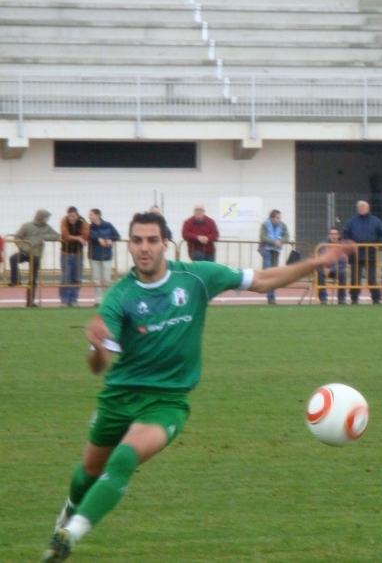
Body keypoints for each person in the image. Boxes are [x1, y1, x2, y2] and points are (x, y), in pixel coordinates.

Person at [39, 211, 354, 563]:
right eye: (138, 241)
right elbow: (99, 366)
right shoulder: (119, 296)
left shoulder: (196, 278)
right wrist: (97, 348)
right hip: (118, 396)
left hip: (166, 401)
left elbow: (264, 279)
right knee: (88, 475)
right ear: (129, 246)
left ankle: (70, 535)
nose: (145, 248)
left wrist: (318, 261)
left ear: (166, 244)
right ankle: (67, 515)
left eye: (152, 240)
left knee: (126, 456)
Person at [9, 209, 60, 307]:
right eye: (46, 217)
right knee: (13, 259)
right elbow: (17, 237)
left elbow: (57, 236)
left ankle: (30, 301)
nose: (48, 219)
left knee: (32, 279)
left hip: (36, 255)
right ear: (41, 217)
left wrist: (44, 237)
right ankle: (15, 279)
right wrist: (24, 247)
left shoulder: (47, 228)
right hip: (24, 252)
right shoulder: (26, 226)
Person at [342, 200, 382, 305]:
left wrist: (378, 245)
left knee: (372, 278)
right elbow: (346, 233)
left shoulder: (376, 221)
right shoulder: (352, 221)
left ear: (368, 208)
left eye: (363, 207)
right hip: (355, 255)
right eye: (359, 207)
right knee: (355, 278)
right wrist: (350, 244)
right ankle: (354, 298)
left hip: (371, 254)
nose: (361, 209)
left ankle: (376, 298)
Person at [88, 209, 121, 305]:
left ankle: (106, 300)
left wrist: (111, 239)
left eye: (91, 214)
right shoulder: (89, 227)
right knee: (96, 279)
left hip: (106, 255)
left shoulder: (108, 225)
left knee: (106, 279)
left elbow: (117, 235)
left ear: (97, 215)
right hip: (94, 256)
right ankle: (98, 300)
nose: (89, 216)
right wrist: (98, 239)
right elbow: (88, 236)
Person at [60, 207, 90, 307]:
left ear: (77, 215)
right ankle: (64, 300)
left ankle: (74, 299)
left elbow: (85, 236)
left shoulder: (83, 222)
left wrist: (78, 239)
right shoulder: (64, 221)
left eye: (73, 216)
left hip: (78, 254)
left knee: (77, 278)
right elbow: (65, 236)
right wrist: (77, 238)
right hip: (66, 253)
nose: (71, 218)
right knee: (66, 277)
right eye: (69, 216)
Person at [259, 209, 290, 305]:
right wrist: (274, 242)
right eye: (277, 218)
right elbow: (262, 237)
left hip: (276, 251)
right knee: (269, 272)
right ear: (272, 218)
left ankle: (271, 297)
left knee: (274, 274)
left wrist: (281, 241)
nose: (279, 219)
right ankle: (269, 294)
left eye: (280, 218)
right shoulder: (265, 225)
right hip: (266, 249)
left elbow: (287, 236)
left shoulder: (283, 225)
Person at [317, 227, 347, 304]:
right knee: (320, 272)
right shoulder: (322, 245)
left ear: (338, 236)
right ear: (328, 235)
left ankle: (341, 299)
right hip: (324, 268)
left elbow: (343, 263)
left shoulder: (342, 246)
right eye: (332, 234)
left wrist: (331, 269)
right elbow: (321, 259)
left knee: (343, 273)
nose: (334, 236)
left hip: (336, 269)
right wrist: (325, 268)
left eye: (335, 234)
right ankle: (323, 299)